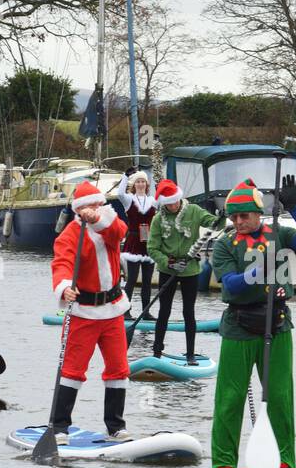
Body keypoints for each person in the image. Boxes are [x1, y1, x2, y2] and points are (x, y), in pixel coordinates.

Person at [208, 175, 296, 468]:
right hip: (239, 327)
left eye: (244, 215)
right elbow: (230, 283)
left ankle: (284, 464)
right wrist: (257, 271)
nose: (238, 221)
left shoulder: (279, 234)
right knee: (230, 399)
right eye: (234, 216)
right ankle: (223, 467)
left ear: (258, 214)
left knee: (280, 397)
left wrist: (295, 208)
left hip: (278, 324)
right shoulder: (223, 245)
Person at [49, 181, 133, 442]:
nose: (92, 210)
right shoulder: (70, 234)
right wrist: (64, 288)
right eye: (86, 207)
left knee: (118, 369)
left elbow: (119, 233)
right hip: (83, 312)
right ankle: (60, 426)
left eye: (96, 205)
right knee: (73, 370)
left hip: (113, 310)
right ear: (78, 209)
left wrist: (97, 218)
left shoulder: (110, 224)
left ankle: (116, 426)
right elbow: (61, 263)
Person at [147, 178, 224, 366]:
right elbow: (152, 248)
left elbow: (216, 225)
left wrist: (222, 216)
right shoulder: (158, 219)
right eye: (168, 203)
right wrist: (168, 263)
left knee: (188, 312)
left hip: (190, 270)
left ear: (179, 198)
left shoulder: (194, 211)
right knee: (164, 311)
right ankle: (157, 352)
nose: (172, 206)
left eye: (174, 201)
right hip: (169, 269)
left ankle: (190, 354)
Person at [116, 168, 156, 316]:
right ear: (134, 184)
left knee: (147, 281)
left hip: (148, 243)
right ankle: (126, 311)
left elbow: (164, 197)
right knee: (131, 279)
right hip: (133, 241)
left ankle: (146, 312)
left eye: (143, 181)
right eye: (138, 181)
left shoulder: (153, 201)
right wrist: (125, 176)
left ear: (147, 184)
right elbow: (120, 193)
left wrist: (159, 179)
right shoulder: (129, 200)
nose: (141, 184)